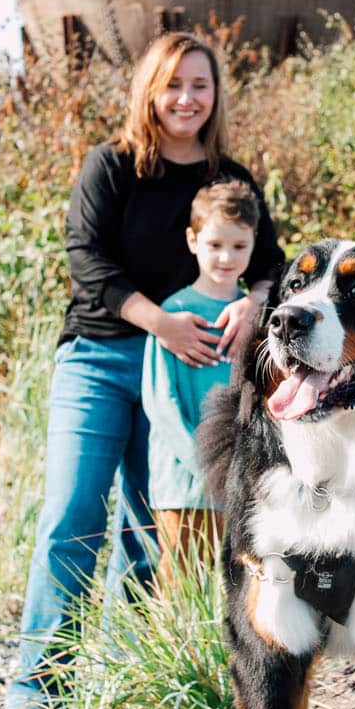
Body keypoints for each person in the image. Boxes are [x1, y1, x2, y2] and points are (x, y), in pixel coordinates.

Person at [2, 31, 285, 709]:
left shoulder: (230, 176)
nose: (186, 98)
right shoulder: (113, 166)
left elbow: (273, 265)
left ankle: (123, 687)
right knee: (71, 514)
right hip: (102, 357)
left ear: (215, 93)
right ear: (149, 91)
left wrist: (255, 301)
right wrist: (159, 320)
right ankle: (37, 690)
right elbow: (86, 257)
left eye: (199, 84)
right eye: (172, 84)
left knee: (147, 533)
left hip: (189, 376)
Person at [140, 178, 259, 580]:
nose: (226, 257)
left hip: (244, 486)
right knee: (181, 587)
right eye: (215, 245)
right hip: (183, 484)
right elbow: (160, 404)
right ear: (193, 241)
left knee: (238, 590)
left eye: (239, 246)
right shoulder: (175, 313)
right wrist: (206, 466)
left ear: (254, 243)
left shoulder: (254, 319)